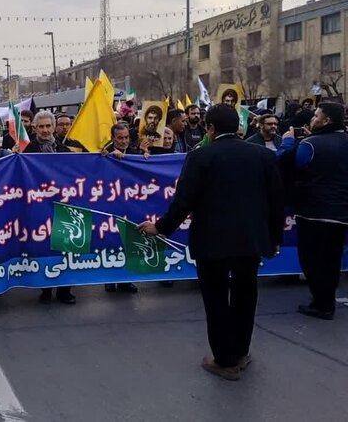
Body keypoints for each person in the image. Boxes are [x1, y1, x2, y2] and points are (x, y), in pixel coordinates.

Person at [138, 105, 283, 380]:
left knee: (216, 299)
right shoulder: (263, 156)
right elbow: (276, 201)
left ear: (210, 128)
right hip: (250, 241)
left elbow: (184, 201)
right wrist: (274, 239)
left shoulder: (200, 157)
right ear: (239, 128)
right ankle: (241, 351)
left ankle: (224, 360)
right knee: (246, 295)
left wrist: (161, 227)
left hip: (211, 241)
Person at [278, 102, 348, 320]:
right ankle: (325, 301)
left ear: (326, 121)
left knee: (312, 260)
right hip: (342, 212)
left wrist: (289, 141)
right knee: (332, 259)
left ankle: (322, 304)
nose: (312, 119)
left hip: (314, 211)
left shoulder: (311, 145)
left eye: (316, 116)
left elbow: (286, 163)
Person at [21, 111, 76, 304]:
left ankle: (64, 290)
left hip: (63, 206)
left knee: (66, 246)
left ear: (53, 127)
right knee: (43, 247)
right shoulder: (26, 152)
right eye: (41, 127)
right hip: (39, 207)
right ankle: (45, 288)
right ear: (34, 128)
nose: (45, 130)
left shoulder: (65, 151)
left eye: (48, 126)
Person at [101, 123, 144, 294]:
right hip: (111, 204)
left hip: (132, 204)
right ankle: (110, 279)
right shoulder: (104, 153)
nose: (124, 141)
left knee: (130, 241)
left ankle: (127, 281)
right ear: (113, 138)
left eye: (126, 137)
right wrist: (109, 157)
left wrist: (146, 158)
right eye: (120, 138)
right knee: (112, 242)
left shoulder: (135, 154)